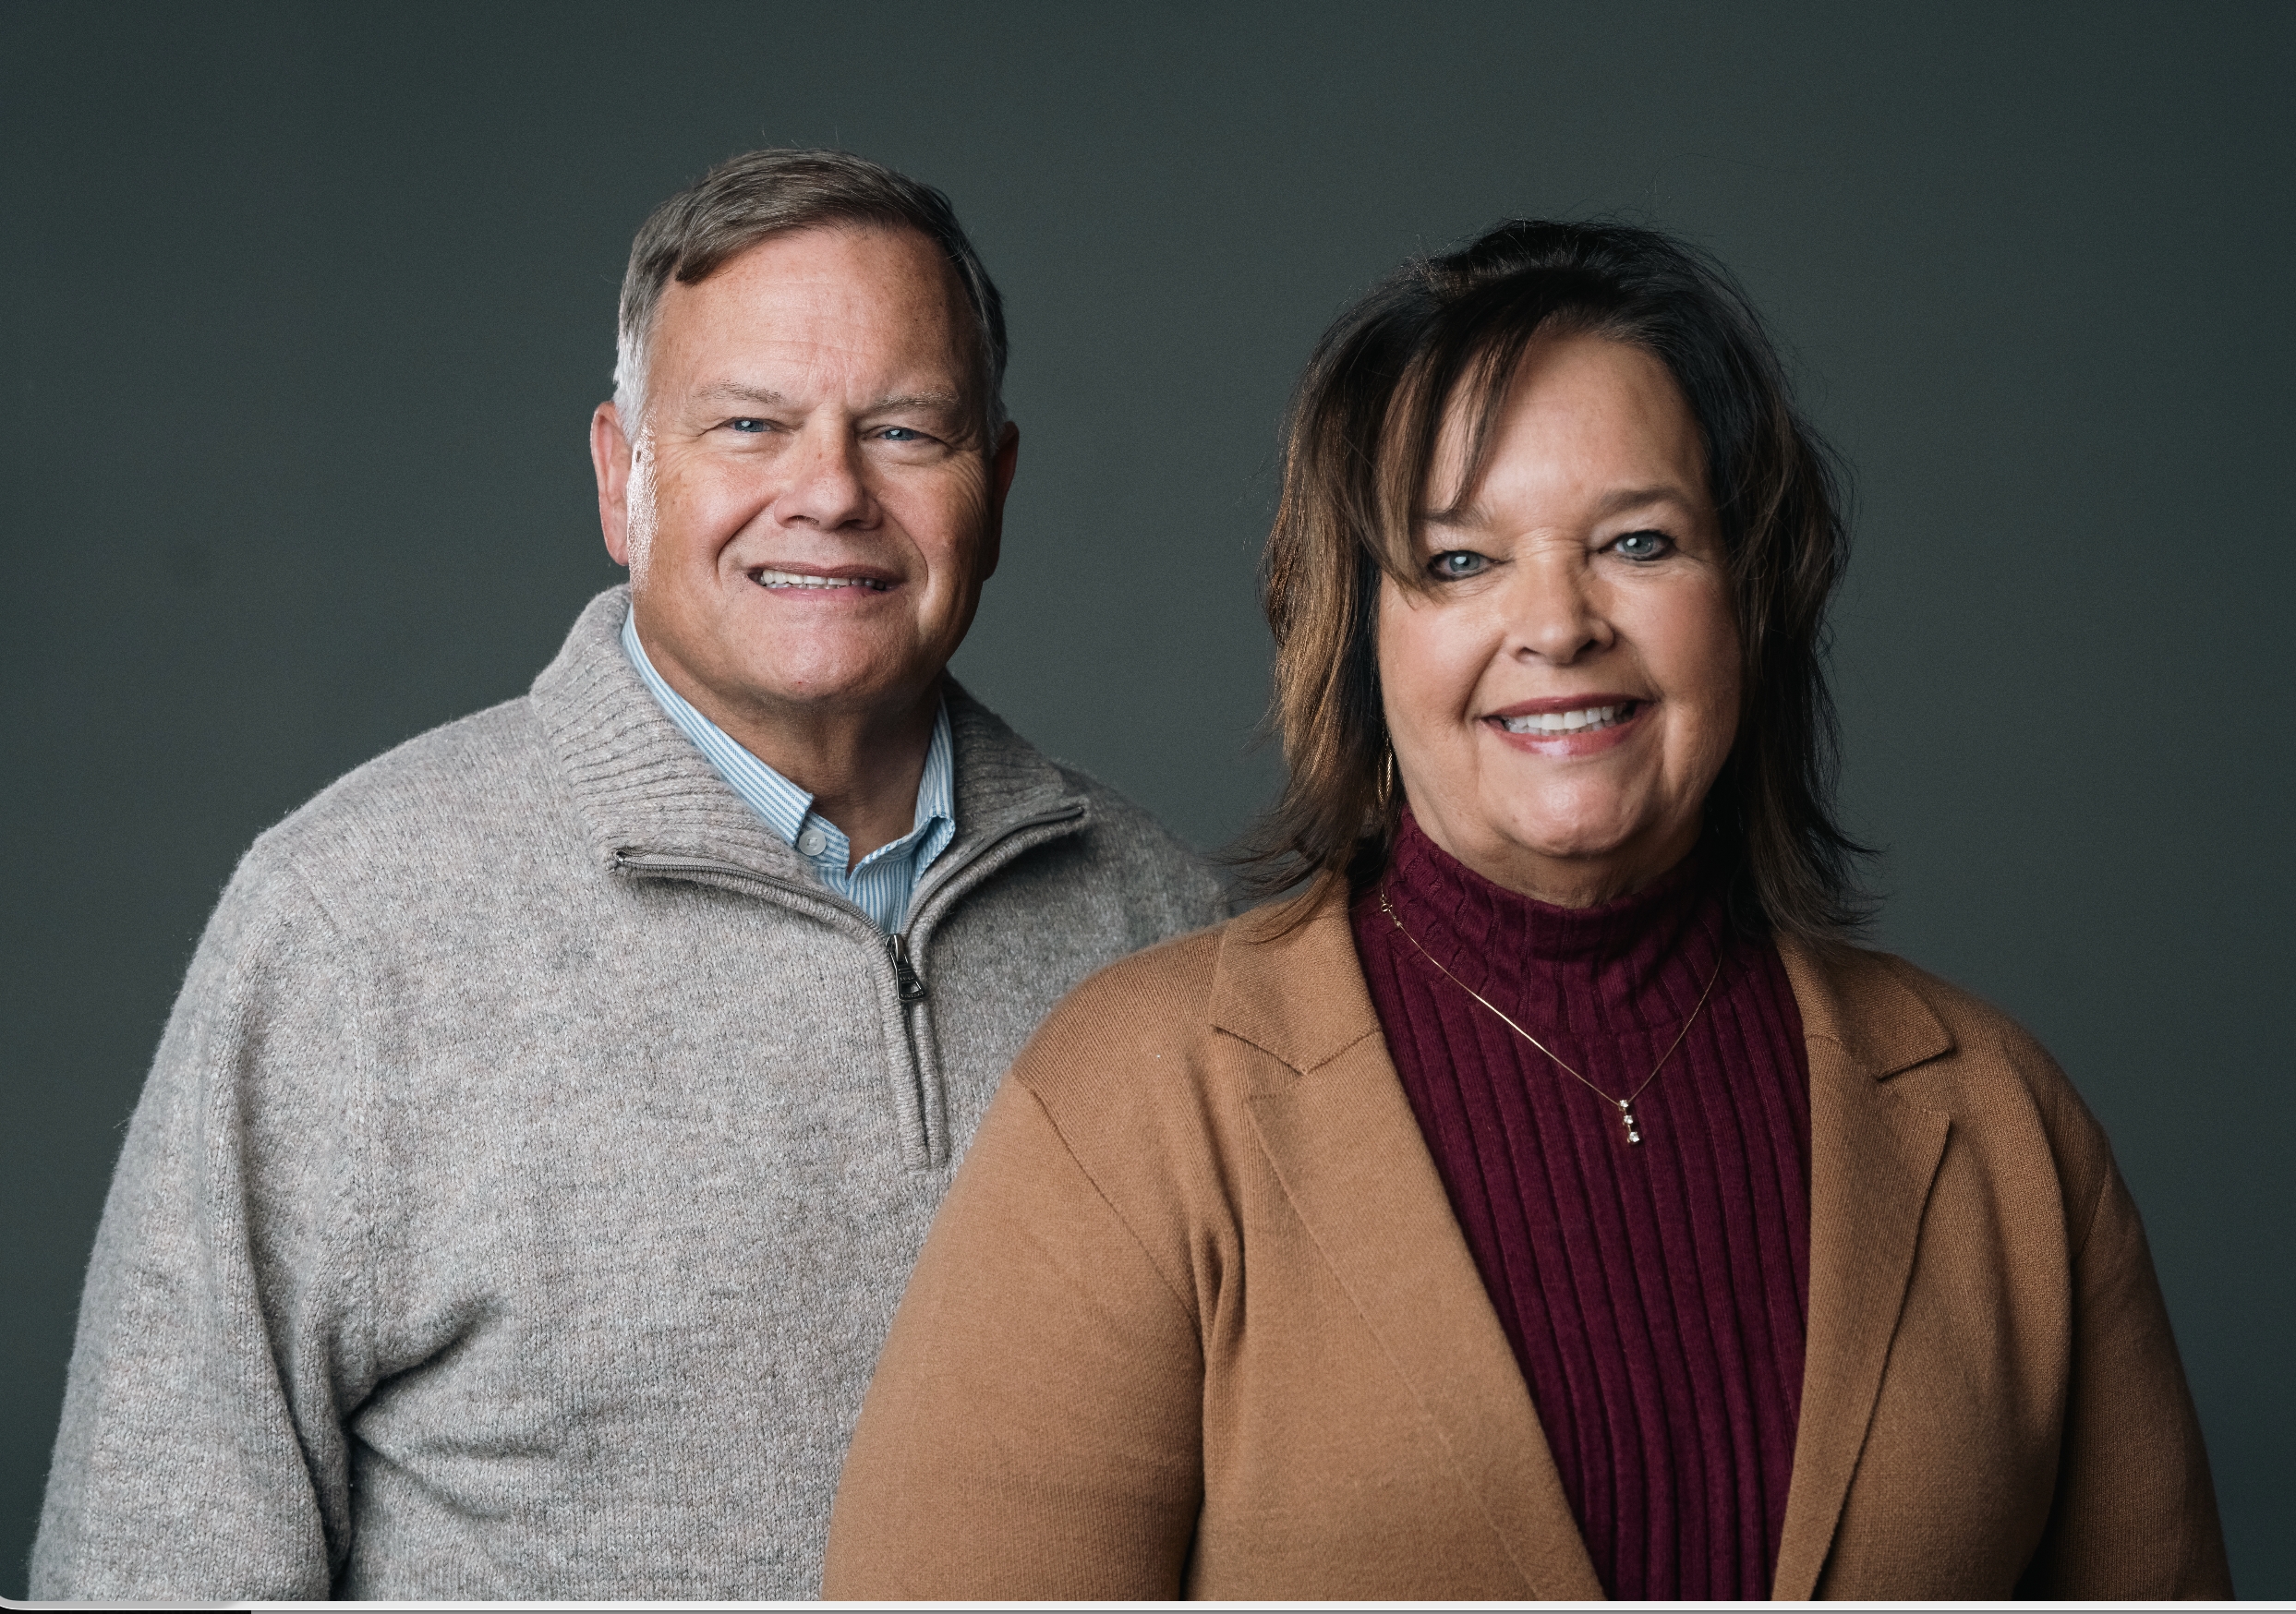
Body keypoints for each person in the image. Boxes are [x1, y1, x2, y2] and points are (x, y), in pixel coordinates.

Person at [822, 220, 2232, 1600]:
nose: (1557, 625)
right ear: (1358, 634)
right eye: (1457, 561)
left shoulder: (1999, 1125)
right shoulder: (1134, 1106)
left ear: (1750, 596)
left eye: (1638, 543)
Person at [31, 149, 1227, 1601]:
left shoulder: (1172, 938)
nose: (829, 492)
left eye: (905, 431)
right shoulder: (348, 928)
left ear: (998, 484)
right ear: (621, 476)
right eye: (749, 424)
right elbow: (153, 1561)